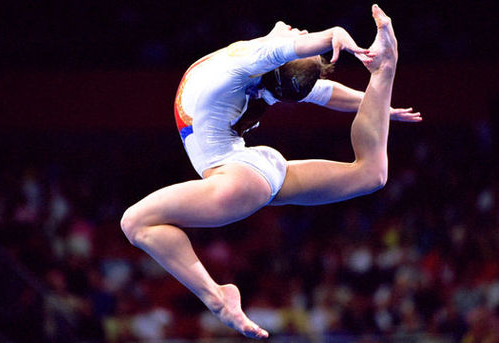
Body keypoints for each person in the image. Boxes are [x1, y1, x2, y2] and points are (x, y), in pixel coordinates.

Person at [121, 4, 412, 339]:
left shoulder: (250, 64)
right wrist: (378, 98)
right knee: (370, 174)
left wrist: (334, 38)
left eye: (301, 35)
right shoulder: (260, 76)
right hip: (258, 170)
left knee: (135, 222)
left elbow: (308, 66)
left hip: (238, 179)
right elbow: (322, 86)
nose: (299, 31)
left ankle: (217, 299)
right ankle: (384, 71)